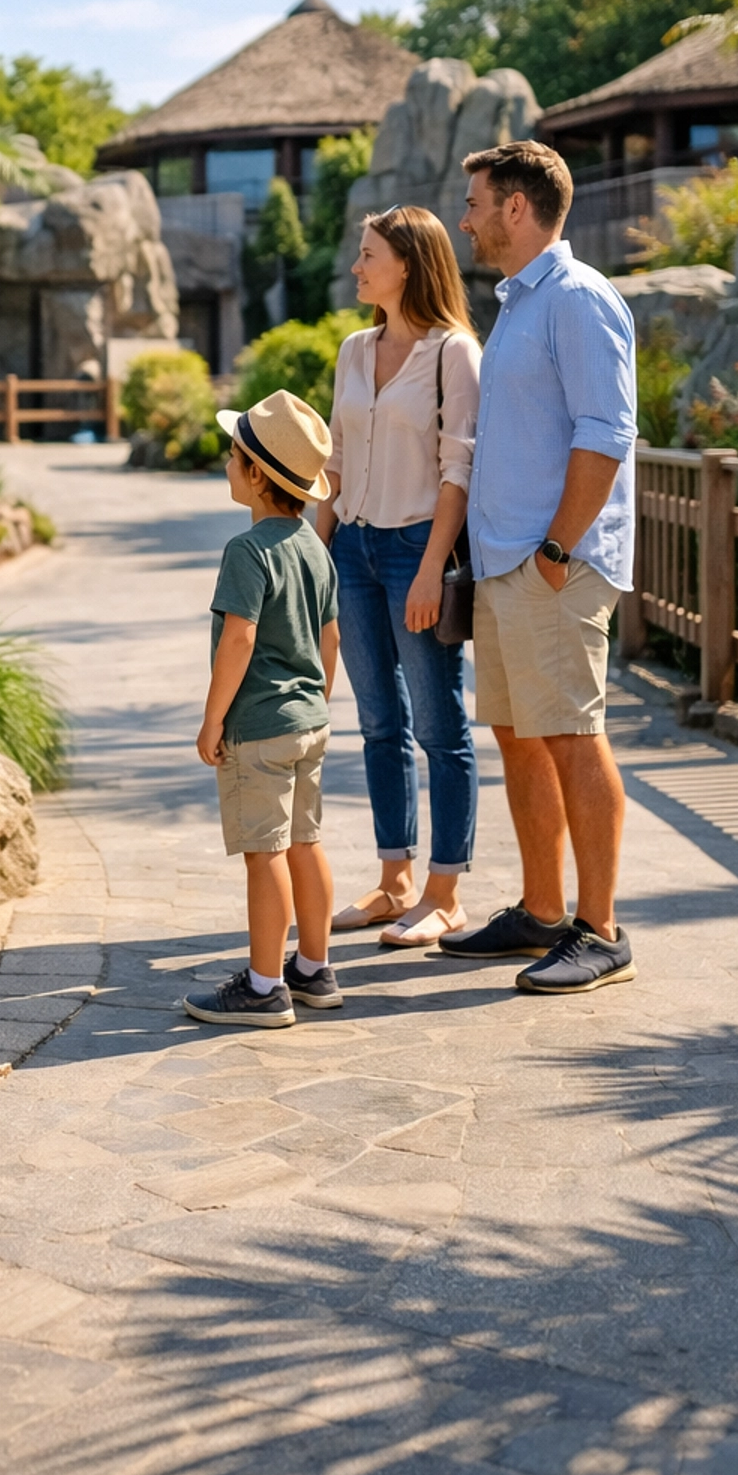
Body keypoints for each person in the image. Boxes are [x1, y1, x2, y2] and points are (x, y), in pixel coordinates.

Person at [439, 139, 639, 993]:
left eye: (476, 203)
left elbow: (607, 433)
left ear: (516, 207)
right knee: (521, 738)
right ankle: (544, 912)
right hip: (508, 564)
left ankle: (602, 932)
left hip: (553, 564)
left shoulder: (579, 298)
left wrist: (557, 549)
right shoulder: (521, 302)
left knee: (571, 736)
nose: (466, 220)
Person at [314, 207, 481, 947]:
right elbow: (335, 460)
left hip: (418, 548)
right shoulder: (354, 349)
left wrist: (431, 569)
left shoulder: (454, 353)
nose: (357, 267)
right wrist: (315, 558)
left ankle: (445, 894)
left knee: (440, 728)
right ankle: (394, 883)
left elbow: (458, 472)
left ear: (408, 264)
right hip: (351, 549)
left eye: (369, 255)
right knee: (379, 724)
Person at [184, 389, 342, 1030]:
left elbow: (239, 639)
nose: (227, 464)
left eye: (232, 456)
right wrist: (316, 701)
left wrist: (213, 719)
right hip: (308, 723)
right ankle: (315, 968)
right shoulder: (314, 548)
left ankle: (264, 986)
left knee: (265, 853)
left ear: (255, 475)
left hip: (259, 728)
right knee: (305, 842)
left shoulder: (247, 552)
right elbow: (330, 638)